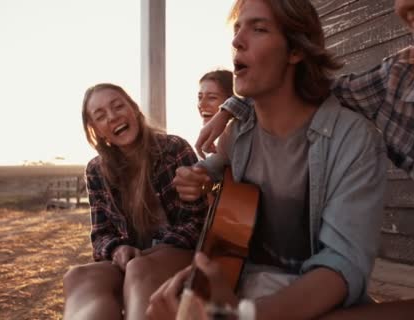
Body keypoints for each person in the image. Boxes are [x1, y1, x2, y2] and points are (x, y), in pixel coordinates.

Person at [197, 0, 414, 319]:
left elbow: (342, 262)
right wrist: (231, 108)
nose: (404, 6)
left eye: (259, 29)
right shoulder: (406, 78)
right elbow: (299, 93)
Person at [147, 0, 387, 319]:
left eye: (259, 29)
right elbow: (210, 170)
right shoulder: (237, 135)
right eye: (237, 29)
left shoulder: (354, 140)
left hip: (304, 303)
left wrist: (243, 315)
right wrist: (194, 177)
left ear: (295, 51)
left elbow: (342, 268)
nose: (237, 40)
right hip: (241, 283)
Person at [62, 83, 207, 320]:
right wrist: (117, 249)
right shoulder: (96, 170)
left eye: (118, 106)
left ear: (134, 110)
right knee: (78, 276)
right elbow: (101, 235)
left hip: (181, 253)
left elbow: (198, 220)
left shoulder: (174, 149)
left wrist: (155, 250)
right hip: (132, 261)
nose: (112, 117)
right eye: (100, 116)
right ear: (96, 130)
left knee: (139, 268)